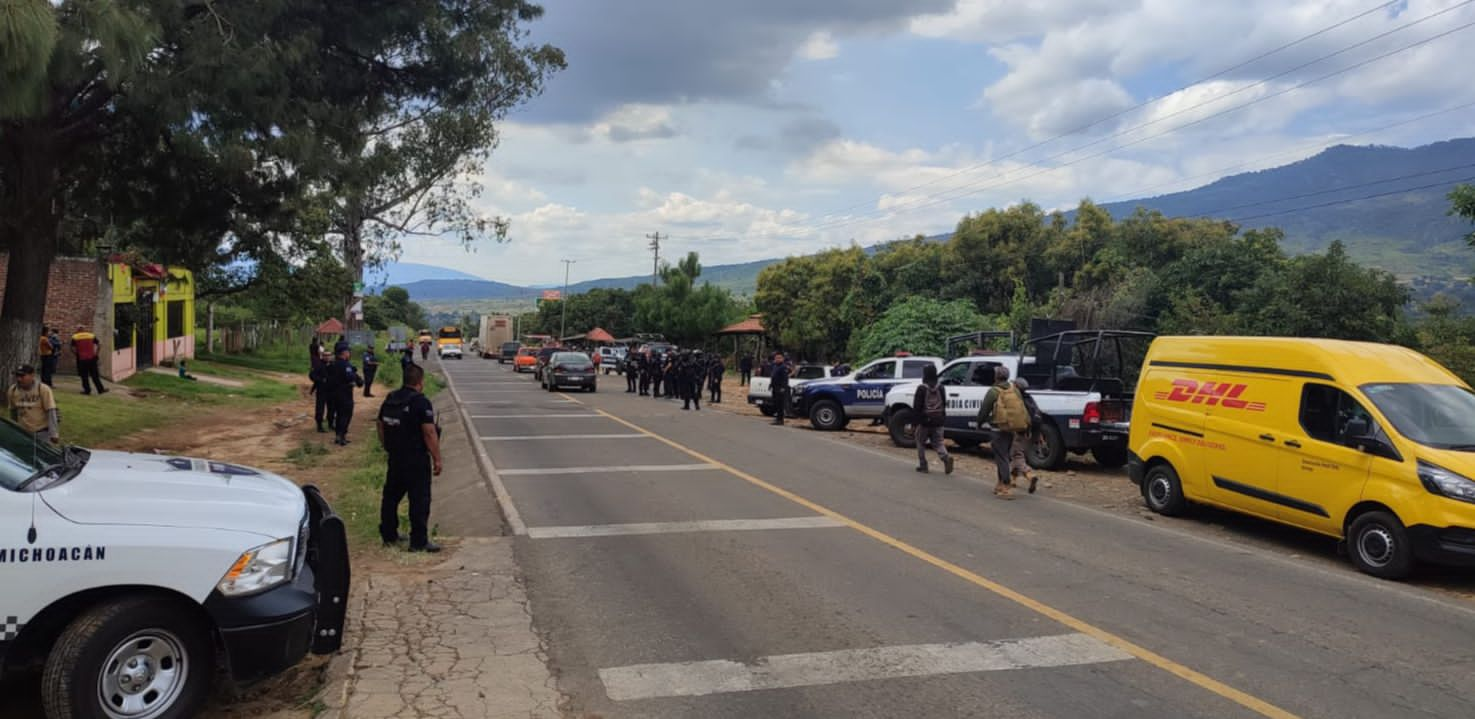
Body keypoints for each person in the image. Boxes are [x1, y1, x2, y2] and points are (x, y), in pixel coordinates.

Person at [377, 363, 443, 553]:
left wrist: (386, 446)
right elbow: (429, 432)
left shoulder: (391, 398)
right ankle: (419, 542)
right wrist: (437, 458)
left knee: (390, 498)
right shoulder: (420, 402)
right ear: (420, 382)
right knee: (419, 500)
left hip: (396, 457)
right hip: (416, 459)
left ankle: (389, 535)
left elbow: (380, 425)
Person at [979, 365, 1032, 499]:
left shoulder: (993, 391)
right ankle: (1000, 484)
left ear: (996, 377)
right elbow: (1022, 409)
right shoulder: (1014, 390)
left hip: (998, 429)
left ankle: (1006, 487)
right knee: (1002, 456)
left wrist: (979, 422)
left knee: (1002, 458)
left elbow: (984, 410)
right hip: (1011, 429)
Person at [913, 365, 953, 475]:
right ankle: (946, 457)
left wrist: (915, 422)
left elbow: (917, 407)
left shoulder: (921, 388)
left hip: (925, 421)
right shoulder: (941, 387)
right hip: (939, 420)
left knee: (920, 442)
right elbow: (944, 403)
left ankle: (923, 465)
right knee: (938, 442)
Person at [324, 342, 364, 446]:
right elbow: (350, 377)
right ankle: (341, 436)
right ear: (344, 353)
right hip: (345, 394)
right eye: (348, 351)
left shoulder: (332, 364)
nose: (349, 353)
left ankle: (338, 435)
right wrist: (357, 380)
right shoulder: (345, 365)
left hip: (333, 394)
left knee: (339, 415)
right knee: (345, 415)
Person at [8, 365, 59, 445]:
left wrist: (54, 433)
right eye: (17, 376)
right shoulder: (12, 390)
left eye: (22, 376)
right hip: (23, 432)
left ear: (32, 375)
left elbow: (51, 412)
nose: (19, 379)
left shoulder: (43, 389)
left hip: (41, 433)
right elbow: (13, 411)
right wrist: (14, 429)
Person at [1011, 378, 1043, 494]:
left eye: (1014, 384)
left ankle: (1030, 474)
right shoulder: (1030, 398)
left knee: (1017, 455)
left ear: (1016, 386)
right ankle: (1013, 480)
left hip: (1018, 431)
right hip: (1030, 432)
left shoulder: (1017, 399)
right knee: (1015, 454)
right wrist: (1038, 435)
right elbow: (1038, 416)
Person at [70, 325, 106, 395]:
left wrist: (77, 354)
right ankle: (100, 389)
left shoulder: (75, 337)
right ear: (84, 330)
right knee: (95, 375)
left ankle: (87, 390)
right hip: (92, 358)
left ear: (78, 330)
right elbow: (99, 344)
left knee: (84, 375)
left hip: (82, 359)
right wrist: (96, 353)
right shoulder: (91, 335)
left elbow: (72, 348)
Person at [770, 352, 790, 426]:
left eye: (779, 358)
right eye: (776, 358)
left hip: (780, 388)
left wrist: (783, 388)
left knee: (780, 405)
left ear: (782, 359)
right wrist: (771, 385)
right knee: (775, 404)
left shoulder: (783, 367)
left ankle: (780, 420)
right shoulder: (775, 366)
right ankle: (777, 418)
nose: (777, 359)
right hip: (774, 388)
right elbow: (773, 376)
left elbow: (785, 379)